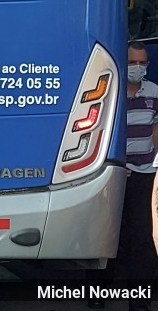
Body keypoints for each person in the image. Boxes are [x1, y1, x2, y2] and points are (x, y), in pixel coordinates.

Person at [88, 41, 158, 310]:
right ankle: (96, 295)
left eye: (142, 63)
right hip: (113, 174)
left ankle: (139, 300)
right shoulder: (110, 91)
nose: (137, 68)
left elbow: (155, 127)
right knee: (104, 234)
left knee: (142, 238)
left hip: (144, 174)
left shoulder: (153, 92)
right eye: (132, 62)